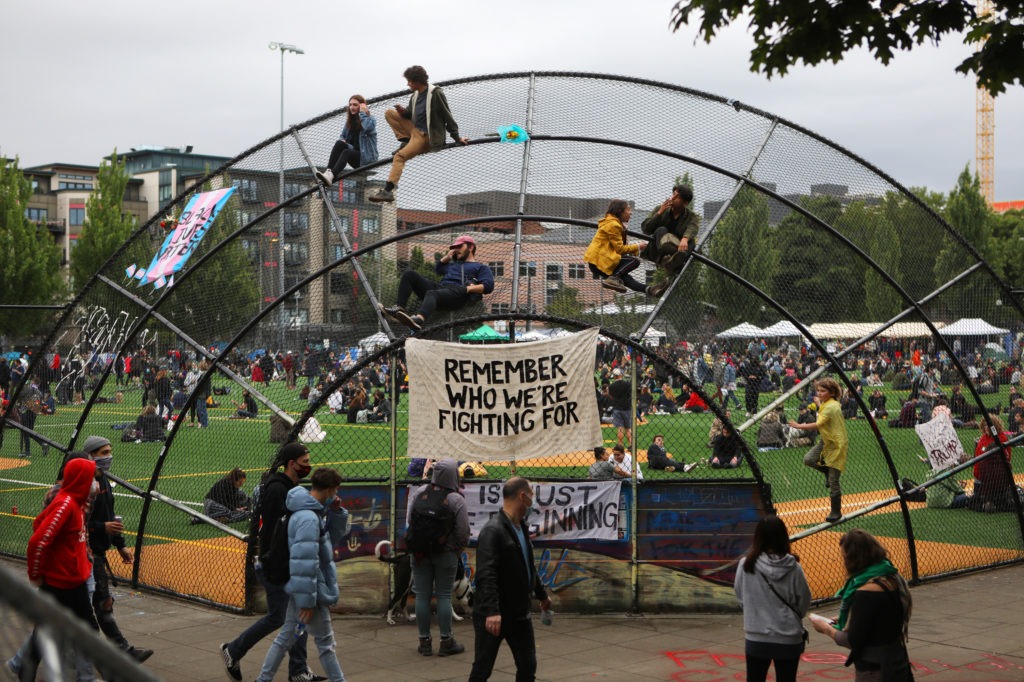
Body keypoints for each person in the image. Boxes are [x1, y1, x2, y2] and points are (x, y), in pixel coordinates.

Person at [221, 443, 325, 682]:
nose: (308, 466)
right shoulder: (279, 490)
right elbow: (273, 530)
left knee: (296, 615)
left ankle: (298, 670)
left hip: (281, 561)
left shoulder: (287, 487)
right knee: (280, 617)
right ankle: (233, 650)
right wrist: (276, 562)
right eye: (304, 462)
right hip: (276, 564)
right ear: (291, 463)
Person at [256, 468, 347, 682]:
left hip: (304, 589)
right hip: (309, 592)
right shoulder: (309, 518)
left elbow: (328, 540)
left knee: (286, 637)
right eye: (335, 490)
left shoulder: (310, 512)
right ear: (329, 489)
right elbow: (304, 563)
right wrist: (307, 601)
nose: (336, 494)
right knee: (325, 643)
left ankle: (263, 679)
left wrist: (336, 512)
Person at [20, 457, 101, 680]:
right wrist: (36, 575)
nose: (95, 482)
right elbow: (38, 540)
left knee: (48, 626)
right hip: (63, 581)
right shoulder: (66, 505)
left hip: (72, 578)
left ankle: (25, 667)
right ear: (80, 479)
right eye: (91, 477)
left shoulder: (74, 502)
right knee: (87, 628)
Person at [469, 477, 551, 682]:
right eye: (531, 495)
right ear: (522, 497)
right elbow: (486, 574)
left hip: (518, 613)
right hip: (496, 615)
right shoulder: (493, 531)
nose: (533, 500)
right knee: (482, 669)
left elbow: (527, 565)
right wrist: (492, 612)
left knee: (527, 666)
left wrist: (542, 595)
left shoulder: (520, 526)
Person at [81, 436, 154, 662]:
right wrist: (103, 527)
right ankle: (119, 652)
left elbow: (109, 516)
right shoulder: (85, 484)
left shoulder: (103, 481)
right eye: (103, 453)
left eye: (109, 452)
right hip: (86, 554)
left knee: (96, 603)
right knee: (99, 603)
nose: (108, 457)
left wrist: (120, 545)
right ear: (90, 455)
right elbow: (78, 523)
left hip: (98, 551)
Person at [808, 529, 913, 680]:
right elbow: (880, 618)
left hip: (876, 670)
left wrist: (825, 629)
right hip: (897, 662)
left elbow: (852, 640)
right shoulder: (891, 579)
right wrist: (852, 617)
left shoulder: (865, 592)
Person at [369, 65, 468, 204]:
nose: (407, 84)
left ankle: (388, 191)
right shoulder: (415, 95)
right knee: (389, 113)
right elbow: (411, 114)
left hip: (426, 136)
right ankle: (406, 140)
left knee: (399, 157)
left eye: (409, 81)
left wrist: (457, 137)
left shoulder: (436, 93)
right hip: (415, 131)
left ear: (416, 81)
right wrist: (403, 111)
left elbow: (447, 116)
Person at [405, 458, 470, 656]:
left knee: (422, 596)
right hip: (446, 553)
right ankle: (446, 640)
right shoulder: (456, 499)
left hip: (419, 553)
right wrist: (455, 549)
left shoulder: (419, 492)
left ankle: (424, 642)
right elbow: (463, 531)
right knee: (443, 596)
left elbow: (410, 520)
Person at [734, 515, 811, 682]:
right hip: (789, 637)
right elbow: (804, 600)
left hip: (756, 637)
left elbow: (740, 598)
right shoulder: (794, 568)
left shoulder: (745, 565)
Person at [381, 234, 494, 331]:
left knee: (432, 293)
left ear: (471, 247)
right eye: (455, 247)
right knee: (409, 274)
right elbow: (439, 269)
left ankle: (419, 319)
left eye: (460, 246)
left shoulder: (480, 267)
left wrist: (469, 289)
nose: (456, 249)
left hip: (459, 293)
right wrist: (446, 257)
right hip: (442, 290)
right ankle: (399, 309)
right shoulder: (453, 265)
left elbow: (488, 286)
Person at [788, 378, 848, 523]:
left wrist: (798, 426)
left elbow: (818, 424)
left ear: (832, 392)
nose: (819, 393)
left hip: (836, 444)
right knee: (808, 459)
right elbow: (824, 410)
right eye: (818, 391)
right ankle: (826, 471)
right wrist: (819, 402)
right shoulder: (829, 403)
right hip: (825, 440)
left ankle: (836, 511)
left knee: (834, 481)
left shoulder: (831, 407)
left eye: (823, 391)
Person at [583, 199, 668, 297]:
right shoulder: (613, 225)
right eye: (628, 210)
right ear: (620, 211)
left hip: (598, 262)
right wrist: (638, 246)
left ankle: (650, 290)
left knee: (625, 278)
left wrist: (637, 249)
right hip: (600, 260)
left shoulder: (614, 223)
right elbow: (620, 249)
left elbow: (619, 250)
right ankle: (614, 278)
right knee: (634, 261)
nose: (630, 213)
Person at [315, 94, 379, 186]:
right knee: (339, 143)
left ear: (362, 106)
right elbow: (342, 136)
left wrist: (363, 113)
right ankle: (329, 173)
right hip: (354, 156)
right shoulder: (349, 122)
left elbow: (367, 127)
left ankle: (332, 174)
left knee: (346, 152)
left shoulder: (370, 119)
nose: (352, 107)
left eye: (355, 105)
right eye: (350, 105)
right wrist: (343, 140)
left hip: (366, 159)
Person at [640, 184, 700, 274]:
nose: (672, 198)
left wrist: (685, 238)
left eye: (677, 197)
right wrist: (660, 212)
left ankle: (673, 262)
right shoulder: (660, 209)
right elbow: (646, 229)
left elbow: (693, 227)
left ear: (686, 203)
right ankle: (666, 259)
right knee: (661, 229)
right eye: (673, 194)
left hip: (676, 249)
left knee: (691, 242)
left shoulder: (691, 216)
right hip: (657, 251)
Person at [608, 368, 633, 448]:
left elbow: (611, 396)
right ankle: (631, 444)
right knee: (628, 427)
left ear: (614, 376)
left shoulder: (612, 386)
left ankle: (620, 444)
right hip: (627, 407)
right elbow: (630, 394)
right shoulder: (627, 384)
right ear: (621, 375)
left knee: (620, 427)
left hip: (617, 407)